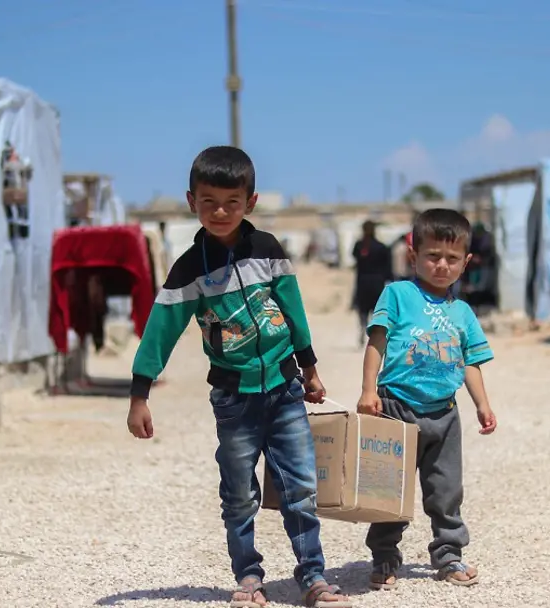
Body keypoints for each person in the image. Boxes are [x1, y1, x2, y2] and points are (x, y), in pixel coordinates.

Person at [126, 146, 353, 608]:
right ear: (191, 201)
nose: (220, 212)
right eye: (209, 202)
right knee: (239, 494)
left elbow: (293, 311)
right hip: (234, 401)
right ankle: (249, 577)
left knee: (301, 488)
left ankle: (313, 576)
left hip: (285, 390)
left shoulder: (267, 250)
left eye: (232, 202)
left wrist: (310, 369)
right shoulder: (189, 269)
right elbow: (160, 331)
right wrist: (139, 394)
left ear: (250, 201)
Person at [356, 208, 498, 591]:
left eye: (452, 258)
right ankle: (385, 555)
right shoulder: (397, 294)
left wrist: (482, 404)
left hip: (445, 414)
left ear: (466, 262)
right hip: (396, 408)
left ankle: (449, 554)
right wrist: (368, 390)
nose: (442, 265)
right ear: (413, 254)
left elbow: (470, 362)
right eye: (433, 255)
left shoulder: (463, 312)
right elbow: (377, 342)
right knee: (390, 490)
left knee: (446, 490)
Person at [351, 220, 393, 346]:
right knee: (377, 310)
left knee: (363, 309)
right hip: (377, 282)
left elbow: (355, 259)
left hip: (362, 282)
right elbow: (387, 267)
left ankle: (363, 327)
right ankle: (376, 333)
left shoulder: (359, 246)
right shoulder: (381, 247)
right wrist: (389, 278)